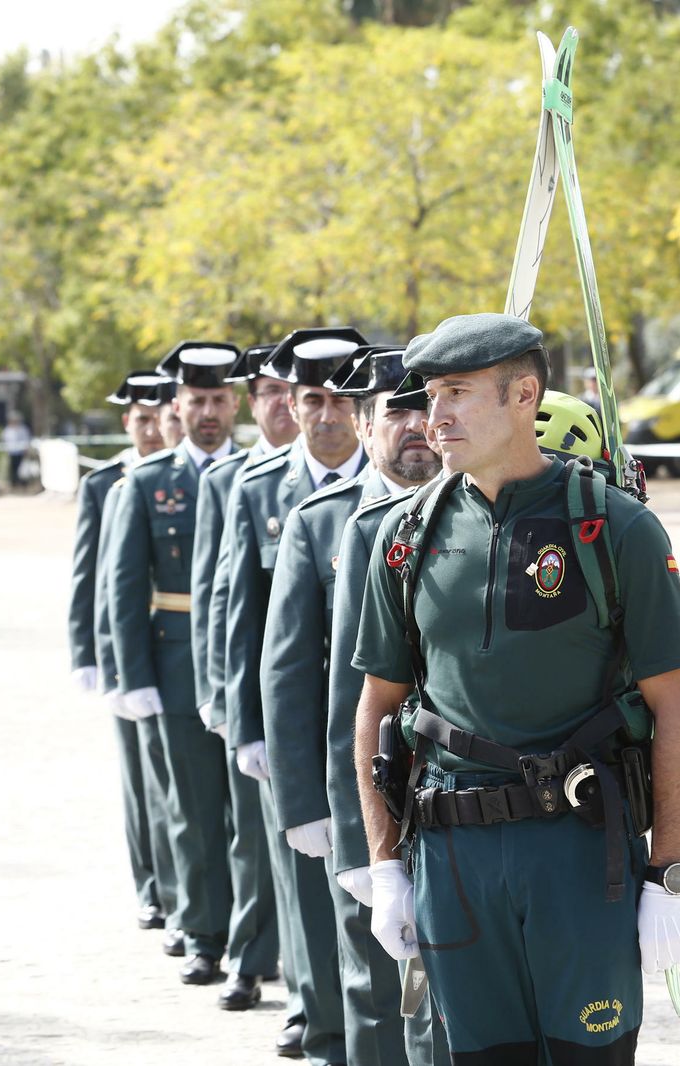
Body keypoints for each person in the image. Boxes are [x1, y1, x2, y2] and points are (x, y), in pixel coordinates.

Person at [353, 314, 680, 1064]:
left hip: (579, 853)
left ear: (523, 396)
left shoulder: (617, 529)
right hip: (451, 859)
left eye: (456, 393)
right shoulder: (406, 536)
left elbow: (678, 708)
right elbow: (377, 706)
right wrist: (385, 866)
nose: (435, 417)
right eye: (429, 396)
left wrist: (668, 875)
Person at [264, 346, 441, 1066]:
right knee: (372, 987)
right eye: (395, 412)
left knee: (447, 985)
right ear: (365, 426)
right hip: (363, 795)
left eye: (425, 408)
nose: (415, 425)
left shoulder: (475, 510)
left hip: (457, 788)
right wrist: (309, 805)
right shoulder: (324, 521)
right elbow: (292, 673)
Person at [225, 327, 370, 1066]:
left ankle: (366, 1019)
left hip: (364, 714)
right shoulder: (258, 489)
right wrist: (244, 725)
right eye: (312, 399)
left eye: (342, 401)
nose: (327, 415)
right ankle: (316, 1013)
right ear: (291, 403)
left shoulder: (399, 481)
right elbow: (241, 616)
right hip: (293, 718)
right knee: (302, 875)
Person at [107, 340, 242, 988]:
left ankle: (254, 935)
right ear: (177, 407)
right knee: (190, 810)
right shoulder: (148, 482)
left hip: (241, 667)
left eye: (218, 400)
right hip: (176, 661)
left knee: (250, 817)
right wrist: (132, 678)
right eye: (196, 401)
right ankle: (203, 933)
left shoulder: (253, 473)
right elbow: (124, 585)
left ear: (234, 404)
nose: (208, 413)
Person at [190, 342, 295, 1029]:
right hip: (257, 689)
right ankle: (251, 958)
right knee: (255, 840)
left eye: (293, 391)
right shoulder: (235, 479)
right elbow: (218, 595)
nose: (283, 404)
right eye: (270, 392)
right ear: (252, 403)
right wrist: (221, 692)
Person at [70, 371, 173, 931]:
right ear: (127, 421)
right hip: (127, 648)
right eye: (142, 419)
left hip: (176, 641)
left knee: (177, 780)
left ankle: (183, 887)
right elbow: (90, 575)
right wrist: (88, 654)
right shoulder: (105, 483)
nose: (152, 429)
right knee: (140, 777)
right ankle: (151, 886)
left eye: (160, 418)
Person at [3, 409, 34, 490]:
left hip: (21, 452)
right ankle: (14, 484)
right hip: (12, 452)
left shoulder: (23, 429)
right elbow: (5, 440)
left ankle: (23, 485)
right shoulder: (8, 430)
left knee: (22, 469)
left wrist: (26, 449)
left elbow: (26, 439)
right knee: (13, 469)